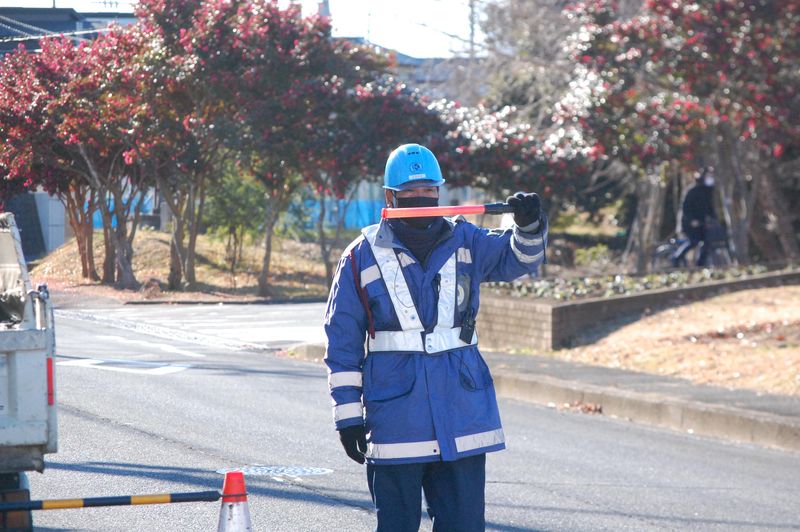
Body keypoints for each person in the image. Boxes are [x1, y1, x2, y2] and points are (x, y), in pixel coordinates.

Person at [323, 143, 548, 531]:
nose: (421, 199)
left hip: (463, 416)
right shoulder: (361, 255)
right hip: (396, 422)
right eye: (410, 193)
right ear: (390, 196)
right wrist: (348, 418)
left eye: (428, 190)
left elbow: (521, 259)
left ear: (439, 192)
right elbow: (342, 344)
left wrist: (527, 226)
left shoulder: (468, 240)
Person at [672, 166, 717, 267]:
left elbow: (709, 207)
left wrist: (713, 218)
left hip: (702, 223)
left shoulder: (708, 191)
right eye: (708, 176)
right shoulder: (692, 191)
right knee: (693, 241)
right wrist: (692, 220)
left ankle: (700, 265)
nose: (710, 178)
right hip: (689, 223)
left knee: (707, 243)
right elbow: (686, 208)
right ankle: (676, 258)